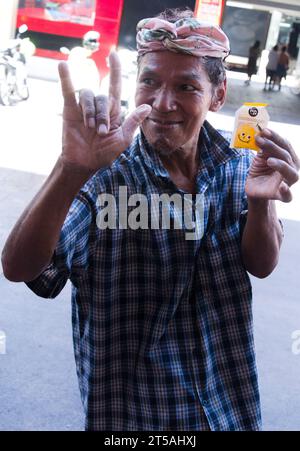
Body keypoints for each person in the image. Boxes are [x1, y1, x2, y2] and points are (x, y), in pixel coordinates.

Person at [2, 8, 299, 431]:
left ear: (218, 95)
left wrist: (262, 203)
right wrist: (69, 169)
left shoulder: (240, 165)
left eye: (186, 86)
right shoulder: (107, 175)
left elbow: (262, 264)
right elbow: (20, 269)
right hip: (138, 419)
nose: (163, 102)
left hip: (230, 408)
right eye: (150, 81)